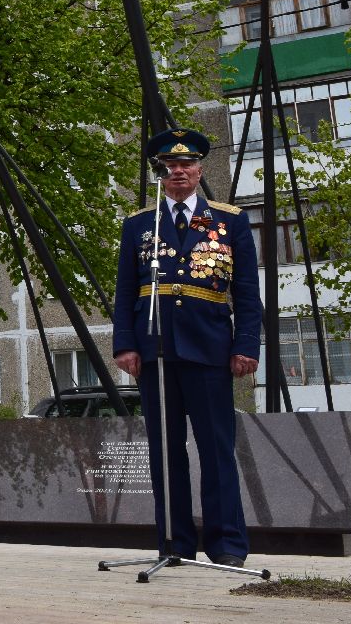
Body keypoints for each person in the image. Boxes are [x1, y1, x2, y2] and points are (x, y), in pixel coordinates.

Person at [113, 128, 261, 568]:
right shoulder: (140, 224)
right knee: (165, 451)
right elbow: (125, 291)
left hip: (210, 348)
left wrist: (246, 344)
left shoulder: (229, 220)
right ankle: (174, 543)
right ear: (160, 173)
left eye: (186, 165)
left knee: (216, 449)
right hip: (154, 349)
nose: (178, 172)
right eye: (170, 166)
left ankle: (226, 544)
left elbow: (247, 291)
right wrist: (125, 344)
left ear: (199, 170)